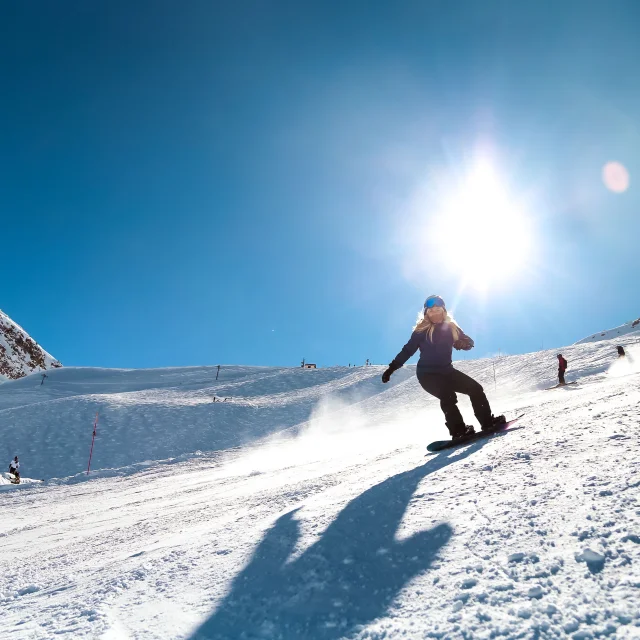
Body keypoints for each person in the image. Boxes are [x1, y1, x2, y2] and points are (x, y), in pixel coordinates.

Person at [381, 295, 504, 442]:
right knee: (448, 396)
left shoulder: (451, 327)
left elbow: (469, 341)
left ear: (443, 311)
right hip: (427, 375)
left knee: (475, 389)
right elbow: (407, 351)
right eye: (431, 311)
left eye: (438, 310)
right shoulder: (421, 331)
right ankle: (459, 431)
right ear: (426, 314)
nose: (435, 313)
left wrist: (463, 344)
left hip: (447, 372)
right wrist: (391, 368)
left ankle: (487, 423)